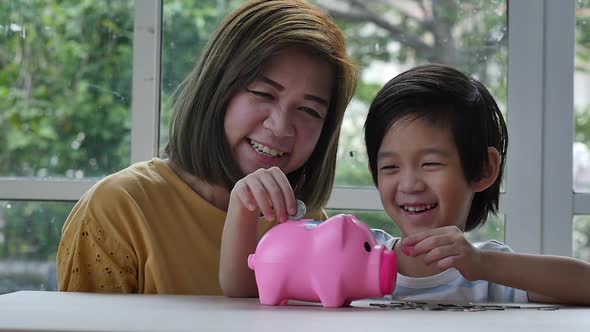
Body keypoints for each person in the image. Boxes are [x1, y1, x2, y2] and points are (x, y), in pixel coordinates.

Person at [57, 0, 357, 295]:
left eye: (309, 110)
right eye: (263, 93)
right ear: (216, 89)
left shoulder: (307, 224)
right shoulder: (119, 207)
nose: (280, 126)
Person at [364, 63, 590, 304]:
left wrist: (483, 263)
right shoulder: (361, 254)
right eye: (390, 167)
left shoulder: (492, 273)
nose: (409, 184)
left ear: (484, 168)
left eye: (430, 163)